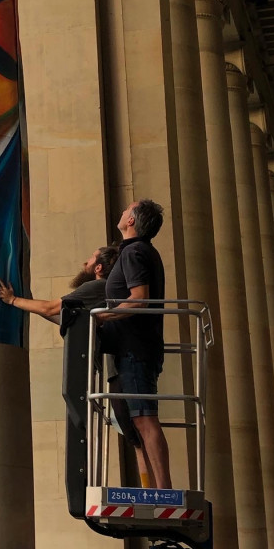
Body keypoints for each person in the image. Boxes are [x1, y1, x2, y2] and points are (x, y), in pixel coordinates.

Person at [0, 247, 154, 487]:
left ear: (98, 268)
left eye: (89, 259)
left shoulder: (96, 287)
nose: (84, 262)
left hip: (121, 366)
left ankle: (154, 488)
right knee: (135, 436)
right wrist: (28, 303)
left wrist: (13, 300)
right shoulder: (105, 289)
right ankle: (149, 488)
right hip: (116, 367)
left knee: (138, 432)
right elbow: (64, 318)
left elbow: (51, 308)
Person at [97, 199, 171, 489]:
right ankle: (156, 489)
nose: (123, 210)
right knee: (139, 422)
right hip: (136, 348)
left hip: (135, 349)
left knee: (145, 420)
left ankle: (164, 490)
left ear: (132, 221)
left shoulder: (134, 252)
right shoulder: (140, 251)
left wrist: (102, 316)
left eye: (127, 208)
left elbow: (139, 297)